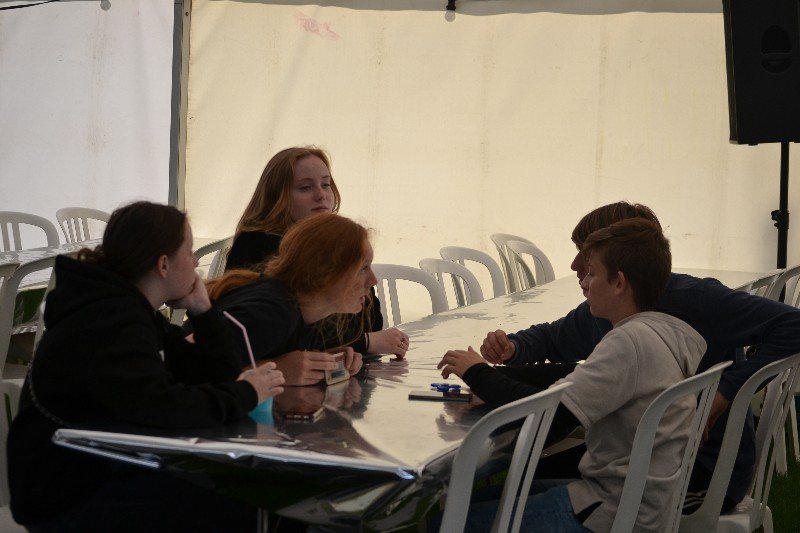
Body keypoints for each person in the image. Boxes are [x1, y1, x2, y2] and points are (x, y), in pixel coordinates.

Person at [478, 201, 800, 513]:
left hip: (698, 471)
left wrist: (727, 390)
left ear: (621, 261)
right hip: (640, 453)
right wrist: (514, 347)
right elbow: (554, 338)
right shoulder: (609, 305)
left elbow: (794, 323)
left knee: (526, 480)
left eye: (586, 254)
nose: (575, 265)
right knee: (529, 473)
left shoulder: (695, 299)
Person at [7, 202, 285, 532]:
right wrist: (246, 393)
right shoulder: (107, 321)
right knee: (250, 506)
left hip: (102, 471)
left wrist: (203, 309)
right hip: (67, 496)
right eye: (189, 252)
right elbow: (164, 406)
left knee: (248, 495)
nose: (196, 263)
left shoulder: (131, 311)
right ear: (163, 264)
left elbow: (212, 376)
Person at [438, 218, 706, 531]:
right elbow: (574, 373)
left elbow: (547, 412)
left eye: (592, 273)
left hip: (608, 512)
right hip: (637, 505)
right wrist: (498, 377)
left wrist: (478, 373)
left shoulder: (629, 343)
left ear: (619, 283)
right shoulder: (657, 331)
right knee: (469, 501)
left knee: (447, 521)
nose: (584, 282)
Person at [225, 146, 407, 358]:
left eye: (326, 184)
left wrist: (349, 347)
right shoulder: (258, 245)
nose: (321, 195)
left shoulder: (333, 241)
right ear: (277, 197)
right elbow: (282, 330)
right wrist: (363, 343)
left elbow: (370, 320)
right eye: (305, 187)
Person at [207, 213, 397, 386]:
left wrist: (321, 360)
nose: (373, 280)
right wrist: (277, 370)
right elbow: (195, 375)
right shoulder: (271, 314)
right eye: (363, 268)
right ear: (325, 272)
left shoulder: (304, 314)